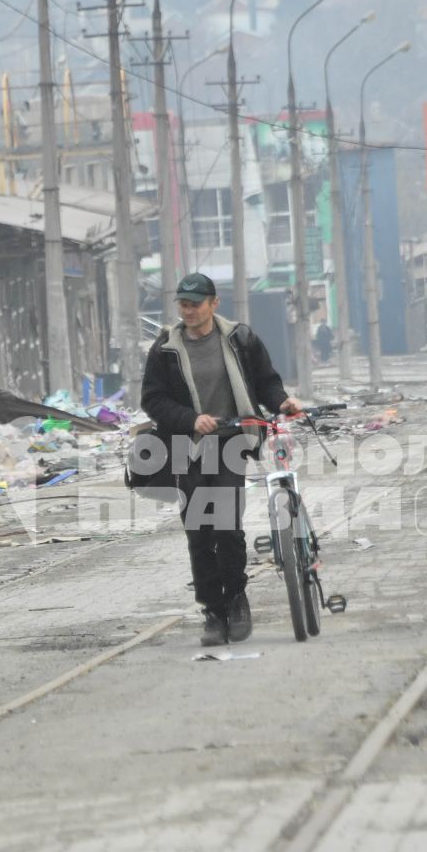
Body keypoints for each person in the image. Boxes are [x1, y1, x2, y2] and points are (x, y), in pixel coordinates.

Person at [142, 272, 302, 644]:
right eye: (183, 303)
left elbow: (266, 381)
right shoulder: (165, 347)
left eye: (196, 303)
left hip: (231, 442)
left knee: (227, 528)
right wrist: (189, 419)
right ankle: (212, 612)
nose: (188, 310)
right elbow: (152, 399)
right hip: (188, 444)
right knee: (199, 531)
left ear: (214, 304)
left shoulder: (239, 339)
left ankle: (236, 600)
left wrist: (282, 402)